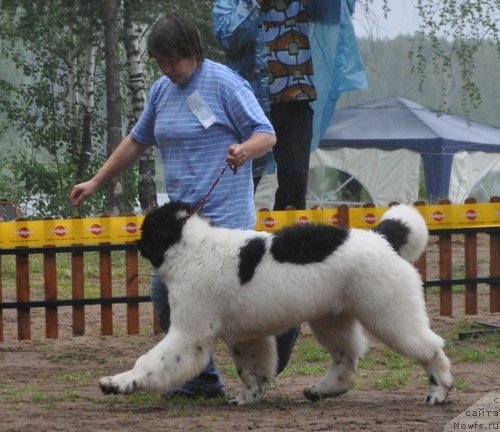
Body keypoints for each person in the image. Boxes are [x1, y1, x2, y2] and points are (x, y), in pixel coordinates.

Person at [70, 13, 276, 398]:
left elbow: (266, 134)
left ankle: (256, 365)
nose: (166, 69)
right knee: (167, 294)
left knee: (246, 305)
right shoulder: (162, 90)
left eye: (173, 61)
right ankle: (203, 379)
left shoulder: (226, 83)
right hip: (182, 224)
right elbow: (136, 140)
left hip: (225, 219)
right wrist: (97, 180)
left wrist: (243, 150)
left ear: (194, 53)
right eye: (160, 62)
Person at [213, 0, 316, 374]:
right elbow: (227, 37)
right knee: (245, 179)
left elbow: (333, 11)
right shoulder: (230, 3)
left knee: (295, 181)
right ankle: (242, 260)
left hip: (296, 93)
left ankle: (293, 262)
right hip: (249, 98)